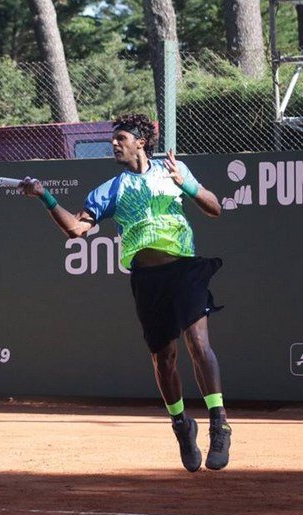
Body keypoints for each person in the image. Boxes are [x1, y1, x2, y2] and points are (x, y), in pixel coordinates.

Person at [19, 113, 232, 472]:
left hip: (185, 269)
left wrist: (188, 186)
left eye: (121, 138)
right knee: (163, 359)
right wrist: (45, 196)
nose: (114, 144)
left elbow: (215, 209)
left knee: (198, 344)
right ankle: (181, 425)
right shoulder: (111, 189)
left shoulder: (173, 170)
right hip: (147, 279)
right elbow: (75, 230)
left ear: (140, 142)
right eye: (113, 139)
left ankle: (219, 423)